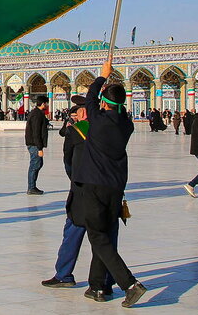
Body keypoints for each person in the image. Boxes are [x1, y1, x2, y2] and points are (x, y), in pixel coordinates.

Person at [70, 60, 147, 307]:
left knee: (98, 237)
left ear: (105, 103)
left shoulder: (98, 121)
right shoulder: (127, 125)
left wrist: (102, 76)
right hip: (115, 188)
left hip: (93, 186)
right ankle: (98, 287)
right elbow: (96, 100)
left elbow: (90, 97)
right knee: (101, 236)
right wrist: (104, 87)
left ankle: (130, 284)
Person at [42, 95, 116, 296]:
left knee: (73, 232)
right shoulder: (111, 129)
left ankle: (64, 274)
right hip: (109, 190)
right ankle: (104, 283)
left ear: (82, 112)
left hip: (82, 192)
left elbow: (68, 163)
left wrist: (76, 182)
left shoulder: (75, 132)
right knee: (105, 238)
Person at [25, 96, 50, 195]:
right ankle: (31, 187)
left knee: (37, 164)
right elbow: (36, 132)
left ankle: (32, 186)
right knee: (35, 165)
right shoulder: (37, 115)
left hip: (34, 144)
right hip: (34, 144)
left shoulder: (38, 113)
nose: (47, 105)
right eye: (46, 103)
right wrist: (39, 147)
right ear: (43, 103)